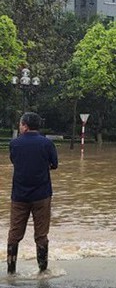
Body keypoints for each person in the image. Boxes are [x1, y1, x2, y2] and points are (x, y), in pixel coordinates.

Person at [7, 112, 58, 274]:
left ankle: (11, 270)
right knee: (41, 234)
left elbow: (14, 161)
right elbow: (54, 164)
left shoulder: (14, 144)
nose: (19, 126)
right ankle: (42, 271)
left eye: (20, 124)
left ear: (25, 126)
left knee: (14, 234)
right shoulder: (47, 144)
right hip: (42, 195)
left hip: (19, 196)